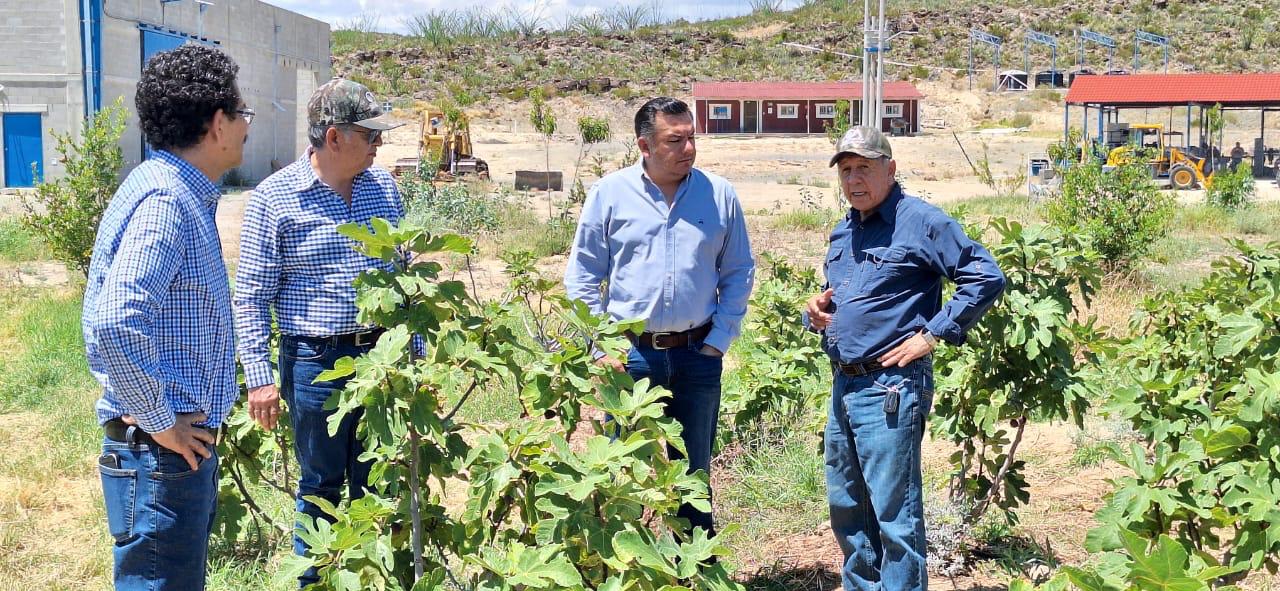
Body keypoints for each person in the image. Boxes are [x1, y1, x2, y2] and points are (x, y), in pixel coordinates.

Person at [804, 127, 1006, 591]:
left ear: (890, 170)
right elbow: (851, 297)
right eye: (847, 170)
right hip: (845, 384)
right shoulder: (845, 229)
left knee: (896, 516)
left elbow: (985, 276)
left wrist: (932, 334)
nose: (854, 180)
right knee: (849, 510)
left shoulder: (920, 221)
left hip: (890, 388)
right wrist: (816, 311)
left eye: (865, 169)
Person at [83, 43, 250, 591]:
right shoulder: (166, 202)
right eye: (242, 113)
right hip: (160, 457)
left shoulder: (172, 189)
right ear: (218, 123)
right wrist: (161, 421)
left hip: (167, 455)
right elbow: (114, 323)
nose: (247, 125)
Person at [232, 78, 404, 588]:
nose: (379, 144)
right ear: (335, 137)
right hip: (315, 363)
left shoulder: (385, 189)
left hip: (382, 357)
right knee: (322, 484)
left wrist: (413, 357)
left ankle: (374, 577)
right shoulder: (275, 199)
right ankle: (319, 580)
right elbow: (251, 298)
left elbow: (403, 278)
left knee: (381, 476)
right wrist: (260, 379)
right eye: (370, 135)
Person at [564, 97, 755, 536]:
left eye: (692, 138)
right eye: (675, 140)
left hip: (697, 356)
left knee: (693, 477)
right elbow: (582, 276)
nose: (688, 149)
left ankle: (695, 572)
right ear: (645, 146)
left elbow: (739, 269)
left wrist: (719, 339)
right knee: (622, 473)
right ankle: (625, 567)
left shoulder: (719, 194)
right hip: (630, 359)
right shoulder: (609, 194)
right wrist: (602, 347)